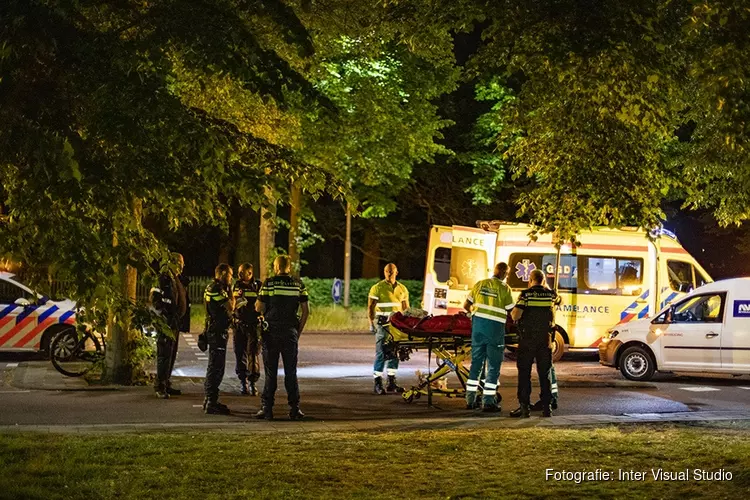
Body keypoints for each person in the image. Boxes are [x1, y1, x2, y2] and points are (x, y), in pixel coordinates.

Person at [254, 255, 309, 421]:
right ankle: (294, 408)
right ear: (289, 267)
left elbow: (259, 307)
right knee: (291, 372)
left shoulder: (269, 283)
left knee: (271, 372)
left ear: (276, 267)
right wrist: (297, 331)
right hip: (290, 331)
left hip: (271, 332)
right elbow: (306, 311)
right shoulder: (298, 284)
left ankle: (267, 408)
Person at [462, 263, 515, 412]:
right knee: (493, 367)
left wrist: (473, 314)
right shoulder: (505, 288)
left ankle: (470, 400)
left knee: (476, 365)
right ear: (504, 273)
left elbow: (466, 305)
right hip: (495, 333)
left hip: (478, 330)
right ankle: (488, 402)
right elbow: (512, 311)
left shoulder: (480, 284)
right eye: (507, 273)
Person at [510, 269, 557, 418]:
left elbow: (516, 315)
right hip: (545, 339)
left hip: (528, 339)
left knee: (524, 374)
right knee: (545, 374)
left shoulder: (526, 294)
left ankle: (524, 407)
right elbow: (556, 304)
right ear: (543, 281)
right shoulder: (551, 295)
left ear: (530, 280)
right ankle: (546, 407)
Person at [150, 253, 188, 399]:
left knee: (171, 354)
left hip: (174, 322)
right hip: (167, 322)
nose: (182, 266)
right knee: (164, 354)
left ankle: (166, 382)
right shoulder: (164, 277)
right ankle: (160, 385)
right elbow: (156, 299)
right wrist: (165, 316)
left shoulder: (175, 278)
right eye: (180, 262)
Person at [368, 263, 409, 395]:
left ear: (397, 272)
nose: (389, 274)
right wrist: (371, 323)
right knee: (381, 352)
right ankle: (377, 383)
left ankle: (391, 382)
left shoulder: (402, 288)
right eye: (387, 271)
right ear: (384, 272)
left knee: (394, 352)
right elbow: (370, 307)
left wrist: (407, 324)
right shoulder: (377, 288)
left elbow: (406, 309)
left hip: (397, 326)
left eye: (391, 271)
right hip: (382, 324)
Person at [203, 263, 235, 415]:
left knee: (213, 365)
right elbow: (230, 306)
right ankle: (211, 401)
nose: (231, 278)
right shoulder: (217, 289)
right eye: (230, 274)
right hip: (217, 332)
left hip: (213, 329)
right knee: (217, 367)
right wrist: (232, 294)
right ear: (222, 273)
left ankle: (209, 399)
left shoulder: (210, 287)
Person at [232, 263, 262, 396]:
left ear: (250, 273)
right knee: (240, 354)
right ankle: (243, 382)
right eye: (239, 272)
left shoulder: (258, 285)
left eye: (242, 272)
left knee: (252, 354)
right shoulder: (236, 285)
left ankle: (252, 382)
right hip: (239, 325)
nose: (239, 275)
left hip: (253, 325)